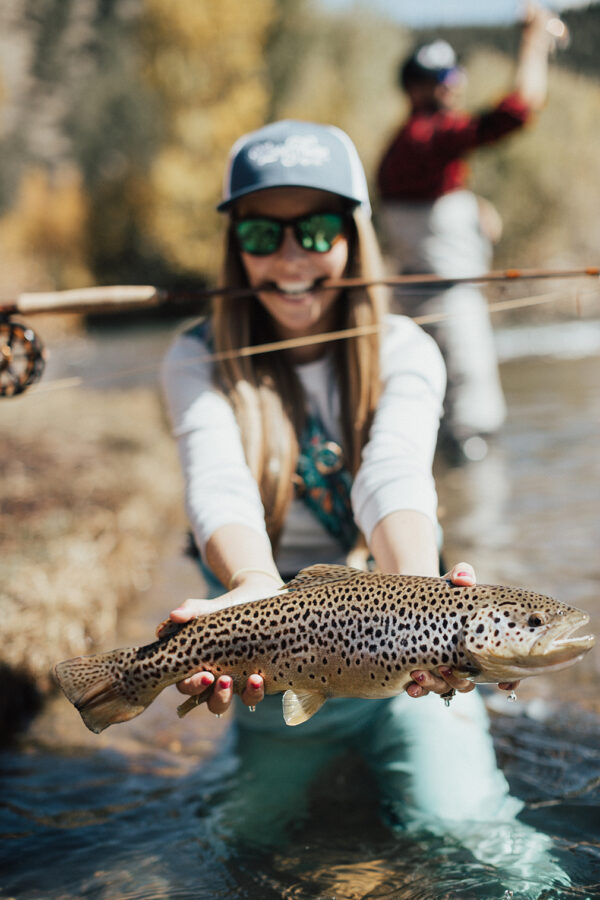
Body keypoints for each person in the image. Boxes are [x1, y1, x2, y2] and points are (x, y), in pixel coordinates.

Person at [160, 119, 568, 892]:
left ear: (353, 235)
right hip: (270, 648)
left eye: (316, 229)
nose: (289, 257)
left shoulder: (408, 346)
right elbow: (216, 481)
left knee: (478, 834)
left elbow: (394, 472)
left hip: (404, 647)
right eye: (261, 230)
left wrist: (418, 602)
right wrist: (251, 582)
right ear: (233, 242)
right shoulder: (193, 355)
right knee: (242, 847)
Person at [376, 4, 564, 465]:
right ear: (415, 89)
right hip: (449, 307)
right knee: (470, 428)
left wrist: (473, 206)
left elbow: (420, 199)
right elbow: (517, 111)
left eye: (453, 73)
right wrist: (535, 43)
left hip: (423, 303)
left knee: (434, 421)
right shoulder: (428, 136)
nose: (453, 83)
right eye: (440, 78)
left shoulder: (408, 144)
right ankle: (481, 522)